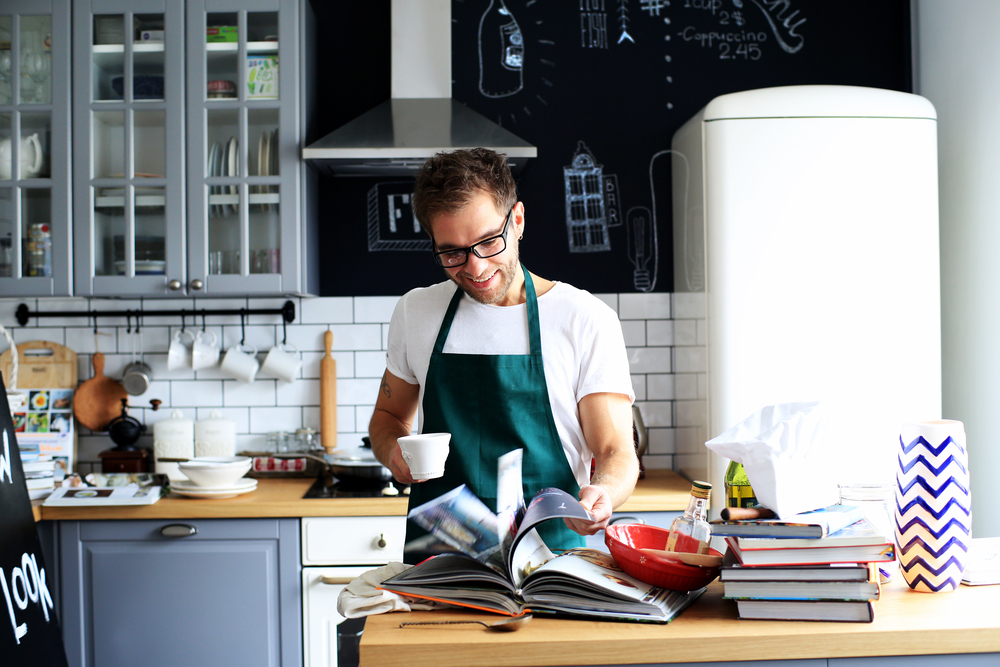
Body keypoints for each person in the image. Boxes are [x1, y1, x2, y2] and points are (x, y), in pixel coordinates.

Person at [368, 148, 639, 561]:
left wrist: (602, 493)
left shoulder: (585, 318)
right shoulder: (415, 312)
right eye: (452, 253)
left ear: (517, 220)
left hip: (552, 563)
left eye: (488, 242)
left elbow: (617, 450)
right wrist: (393, 452)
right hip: (441, 565)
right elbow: (387, 419)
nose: (475, 268)